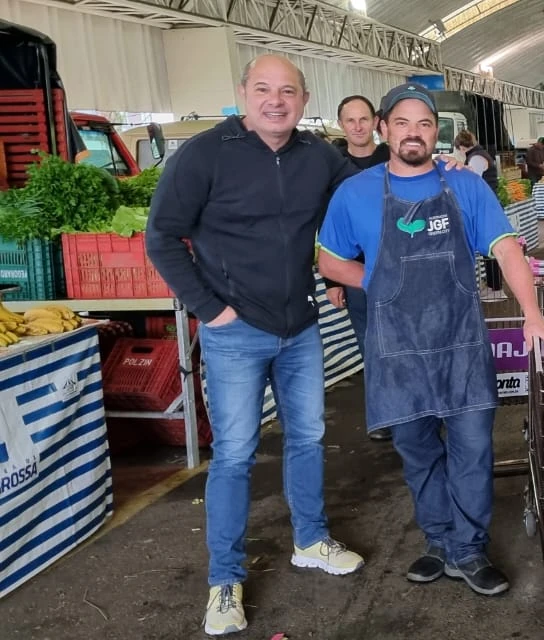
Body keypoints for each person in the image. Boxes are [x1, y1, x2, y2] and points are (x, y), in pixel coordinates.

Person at [146, 54, 366, 637]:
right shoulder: (204, 154)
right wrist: (210, 310)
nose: (276, 100)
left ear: (303, 98)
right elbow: (162, 237)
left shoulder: (319, 156)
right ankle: (224, 580)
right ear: (243, 93)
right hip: (234, 332)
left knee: (310, 437)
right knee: (237, 455)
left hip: (299, 327)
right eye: (264, 89)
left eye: (288, 91)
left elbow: (361, 202)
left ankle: (311, 539)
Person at [317, 82, 544, 597]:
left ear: (435, 133)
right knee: (417, 449)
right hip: (396, 350)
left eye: (423, 124)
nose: (413, 133)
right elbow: (328, 259)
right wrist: (373, 279)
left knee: (472, 449)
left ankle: (469, 548)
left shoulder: (465, 187)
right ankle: (439, 539)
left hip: (460, 345)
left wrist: (532, 314)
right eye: (401, 123)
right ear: (383, 129)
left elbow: (507, 249)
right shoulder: (355, 193)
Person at [328, 94, 394, 441]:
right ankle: (382, 417)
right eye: (350, 120)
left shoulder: (394, 156)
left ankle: (418, 410)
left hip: (402, 267)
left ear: (376, 123)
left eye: (363, 119)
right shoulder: (334, 168)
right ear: (342, 125)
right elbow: (329, 228)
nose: (357, 126)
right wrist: (332, 278)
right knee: (371, 344)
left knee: (410, 340)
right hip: (356, 273)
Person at [454, 129, 508, 302]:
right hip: (488, 205)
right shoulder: (480, 155)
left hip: (485, 207)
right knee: (490, 249)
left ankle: (496, 288)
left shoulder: (476, 158)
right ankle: (494, 286)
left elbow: (472, 182)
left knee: (491, 249)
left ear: (461, 147)